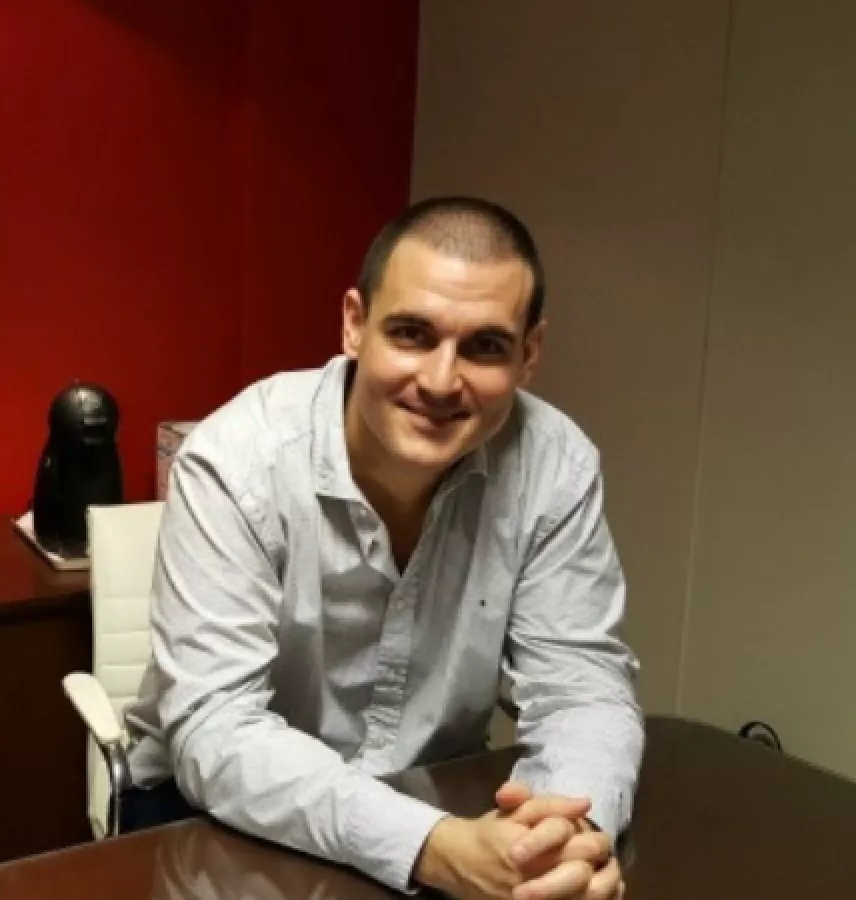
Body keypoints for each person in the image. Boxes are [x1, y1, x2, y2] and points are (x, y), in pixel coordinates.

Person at [123, 196, 643, 900]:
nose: (440, 380)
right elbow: (217, 731)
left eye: (485, 346)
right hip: (216, 819)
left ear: (529, 354)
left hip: (436, 805)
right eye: (411, 334)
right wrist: (430, 846)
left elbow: (583, 689)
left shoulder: (555, 466)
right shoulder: (237, 459)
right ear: (354, 325)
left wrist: (562, 840)